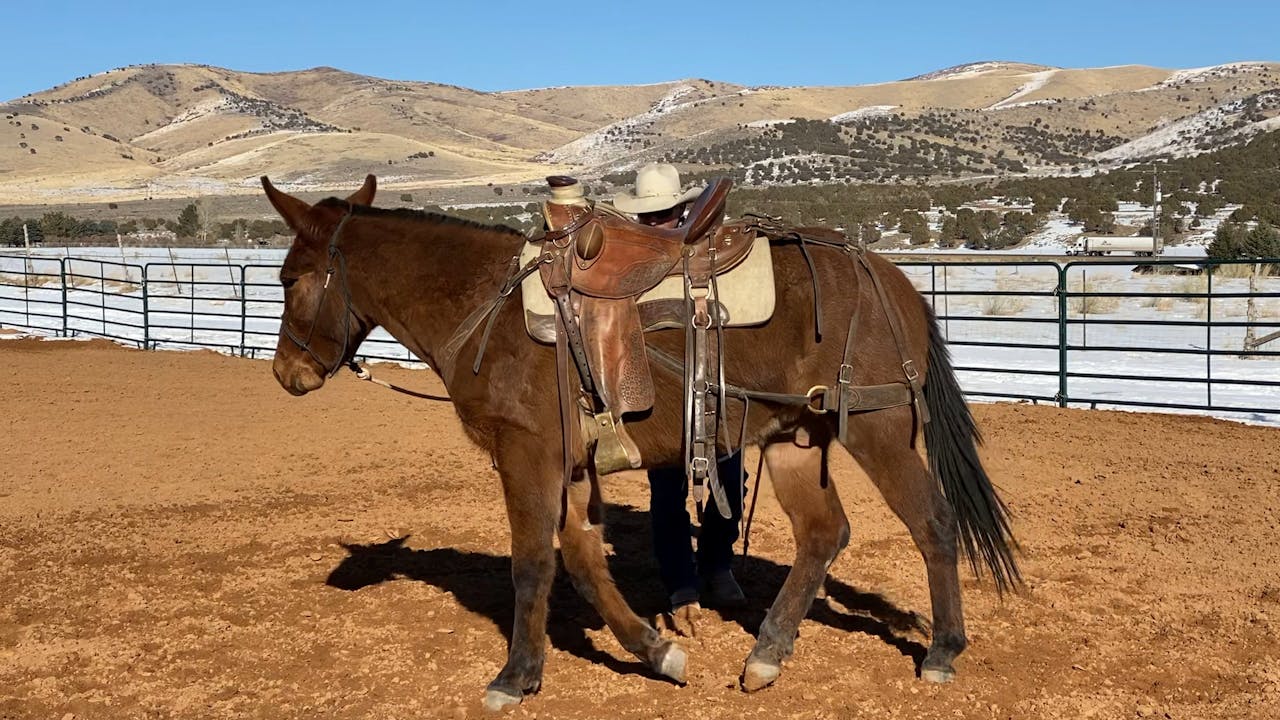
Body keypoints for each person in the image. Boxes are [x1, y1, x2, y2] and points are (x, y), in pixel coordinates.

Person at [613, 163, 747, 621]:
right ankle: (681, 583)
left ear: (682, 210)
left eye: (663, 214)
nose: (654, 223)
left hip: (718, 385)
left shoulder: (714, 257)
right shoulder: (624, 269)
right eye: (646, 217)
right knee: (666, 490)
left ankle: (718, 565)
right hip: (661, 395)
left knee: (730, 481)